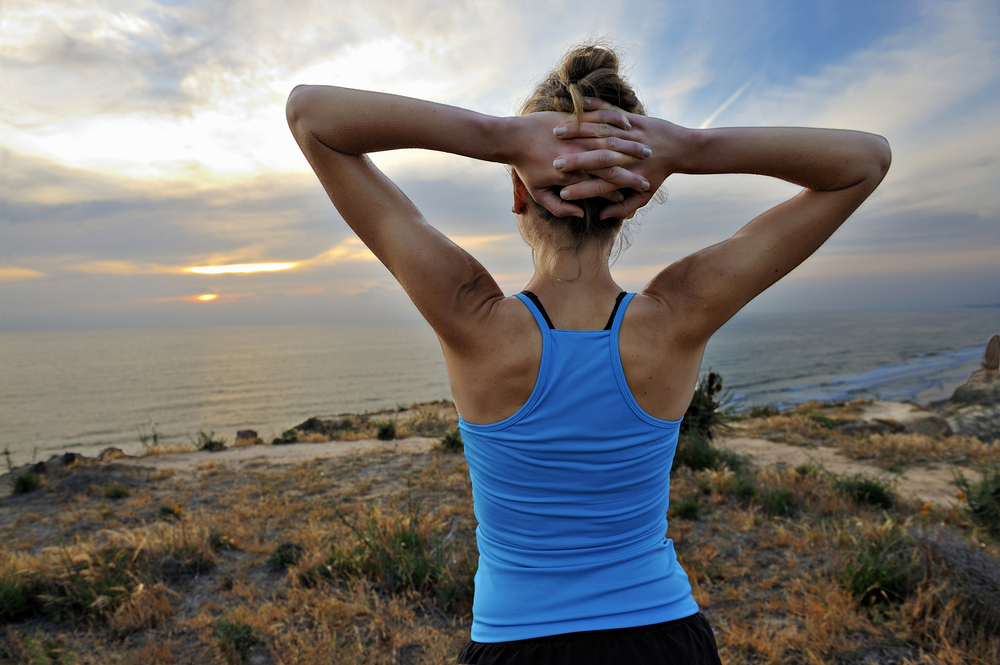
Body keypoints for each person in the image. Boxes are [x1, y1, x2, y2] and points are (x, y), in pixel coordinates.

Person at [286, 43, 890, 665]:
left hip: (518, 644)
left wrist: (497, 137)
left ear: (519, 194)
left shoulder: (472, 318)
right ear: (639, 196)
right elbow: (864, 161)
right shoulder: (677, 317)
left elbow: (311, 116)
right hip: (666, 641)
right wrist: (686, 148)